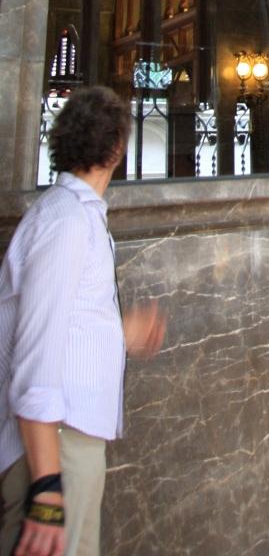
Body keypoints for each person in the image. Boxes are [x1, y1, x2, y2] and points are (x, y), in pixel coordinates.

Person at [0, 86, 166, 556]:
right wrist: (48, 487)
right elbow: (37, 350)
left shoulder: (73, 216)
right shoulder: (66, 222)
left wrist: (118, 334)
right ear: (117, 150)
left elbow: (65, 326)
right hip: (55, 449)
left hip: (65, 445)